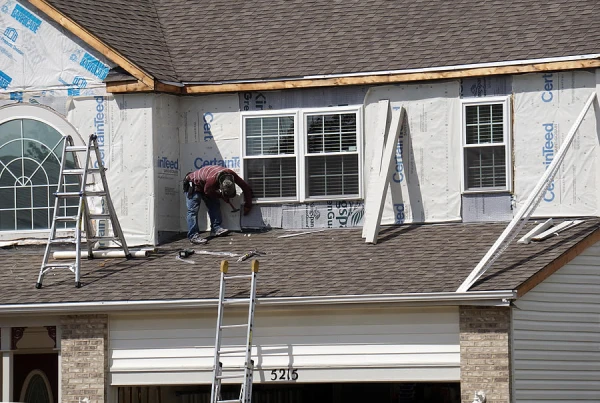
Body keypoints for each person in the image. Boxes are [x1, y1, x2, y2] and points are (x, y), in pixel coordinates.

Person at [183, 166, 253, 244]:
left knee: (214, 204)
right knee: (193, 211)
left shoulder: (231, 174)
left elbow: (245, 187)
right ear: (220, 185)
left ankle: (216, 229)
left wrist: (248, 205)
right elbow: (207, 191)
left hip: (205, 184)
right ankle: (193, 236)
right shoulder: (212, 180)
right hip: (193, 184)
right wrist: (221, 196)